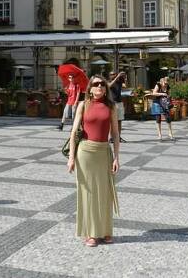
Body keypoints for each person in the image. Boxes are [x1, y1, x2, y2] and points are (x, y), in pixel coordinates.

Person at [66, 75, 120, 247]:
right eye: (95, 84)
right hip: (85, 152)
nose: (99, 87)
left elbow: (116, 134)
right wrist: (71, 157)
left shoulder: (111, 107)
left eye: (102, 84)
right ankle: (91, 233)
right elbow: (74, 132)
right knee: (88, 193)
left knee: (105, 193)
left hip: (104, 152)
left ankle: (105, 231)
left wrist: (117, 157)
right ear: (89, 88)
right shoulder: (83, 105)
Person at [108, 72, 127, 143]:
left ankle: (118, 137)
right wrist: (116, 78)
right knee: (111, 121)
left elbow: (125, 86)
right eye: (112, 74)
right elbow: (109, 86)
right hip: (112, 103)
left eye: (115, 74)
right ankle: (111, 137)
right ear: (109, 76)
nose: (114, 75)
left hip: (119, 103)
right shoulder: (108, 81)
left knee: (119, 121)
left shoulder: (119, 81)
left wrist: (125, 78)